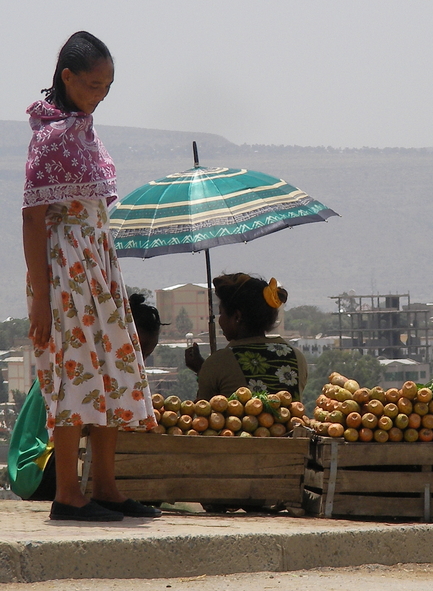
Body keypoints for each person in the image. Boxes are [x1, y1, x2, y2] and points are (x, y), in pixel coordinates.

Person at [22, 32, 158, 521]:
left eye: (108, 86)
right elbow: (33, 217)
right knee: (73, 372)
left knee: (110, 368)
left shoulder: (83, 130)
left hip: (97, 262)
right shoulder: (52, 136)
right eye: (93, 84)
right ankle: (66, 493)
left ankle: (104, 485)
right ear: (68, 78)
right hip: (65, 268)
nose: (100, 93)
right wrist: (39, 296)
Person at [7, 294, 164, 502]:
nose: (140, 361)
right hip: (38, 469)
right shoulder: (85, 372)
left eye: (146, 355)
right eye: (136, 351)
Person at [185, 273, 308, 401]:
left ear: (237, 317)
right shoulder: (296, 357)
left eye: (221, 313)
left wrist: (202, 370)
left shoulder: (217, 363)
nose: (220, 320)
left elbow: (203, 413)